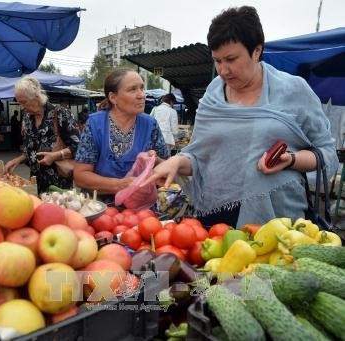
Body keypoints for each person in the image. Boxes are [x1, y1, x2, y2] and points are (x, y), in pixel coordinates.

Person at [143, 6, 338, 228]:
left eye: (231, 59)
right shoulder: (213, 94)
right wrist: (176, 162)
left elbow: (326, 154)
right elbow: (200, 157)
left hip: (277, 221)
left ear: (256, 51)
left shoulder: (293, 90)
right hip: (215, 216)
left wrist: (290, 160)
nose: (223, 70)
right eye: (217, 61)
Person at [74, 68, 169, 202]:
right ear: (113, 97)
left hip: (140, 209)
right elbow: (80, 176)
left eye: (142, 88)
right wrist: (120, 185)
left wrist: (155, 160)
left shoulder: (150, 124)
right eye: (132, 90)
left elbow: (166, 168)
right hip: (99, 208)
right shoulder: (95, 124)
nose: (141, 95)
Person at [4, 76, 80, 194]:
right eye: (19, 103)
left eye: (24, 102)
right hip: (35, 182)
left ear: (36, 97)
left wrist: (54, 156)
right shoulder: (27, 118)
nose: (22, 107)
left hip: (59, 184)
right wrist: (18, 160)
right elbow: (31, 149)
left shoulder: (61, 113)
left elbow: (78, 147)